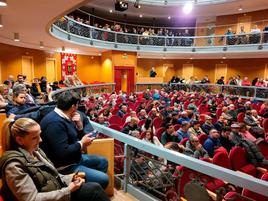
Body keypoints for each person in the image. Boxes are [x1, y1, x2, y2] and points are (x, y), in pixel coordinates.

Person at [0, 118, 110, 201]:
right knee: (94, 191)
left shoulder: (37, 152)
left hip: (55, 192)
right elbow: (31, 199)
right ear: (20, 140)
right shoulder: (13, 165)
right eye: (35, 138)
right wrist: (68, 190)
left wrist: (72, 178)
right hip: (53, 196)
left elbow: (54, 175)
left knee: (94, 187)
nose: (41, 140)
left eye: (40, 135)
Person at [40, 91, 109, 189]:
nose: (78, 107)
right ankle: (88, 191)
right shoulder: (54, 123)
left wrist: (80, 127)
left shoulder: (66, 116)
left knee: (103, 161)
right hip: (64, 167)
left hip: (75, 158)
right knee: (104, 179)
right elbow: (63, 153)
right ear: (73, 107)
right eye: (77, 105)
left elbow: (74, 138)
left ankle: (93, 189)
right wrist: (81, 143)